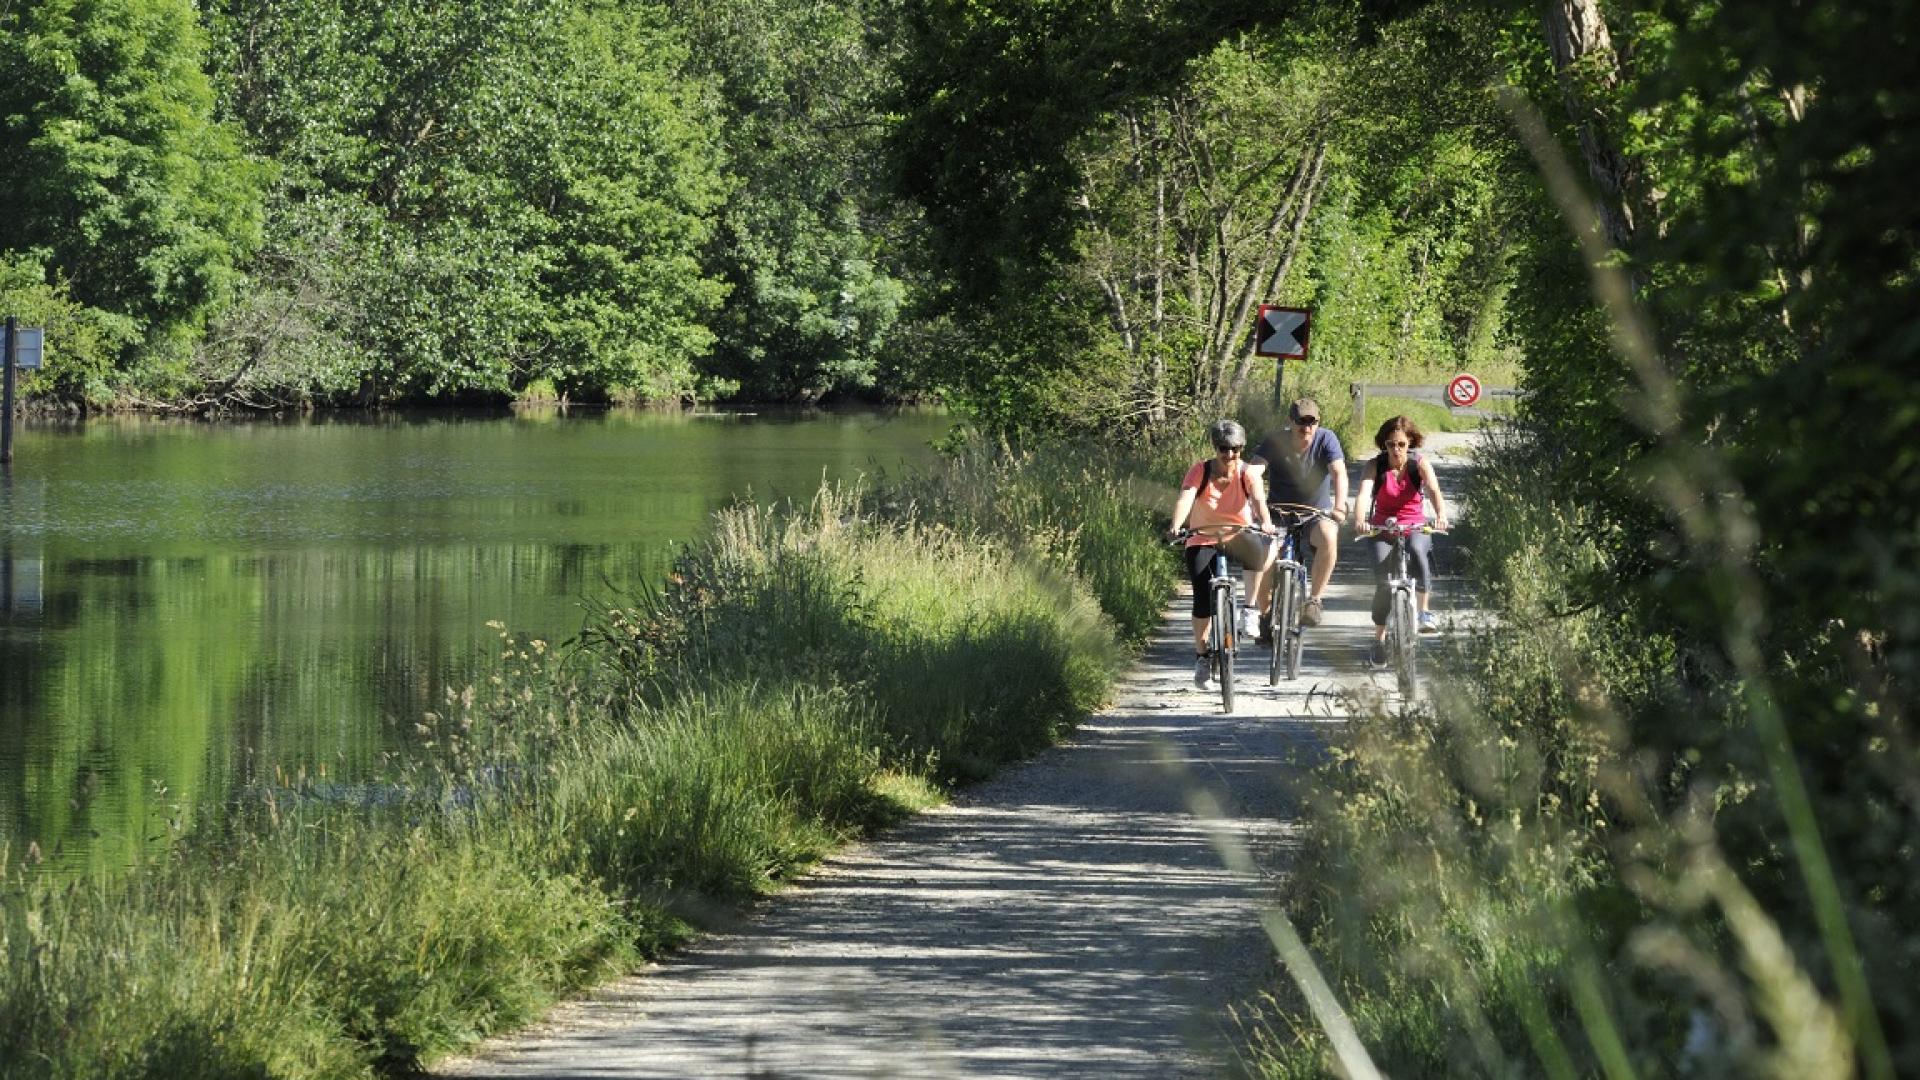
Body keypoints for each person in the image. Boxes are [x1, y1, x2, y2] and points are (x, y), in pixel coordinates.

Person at [1168, 420, 1278, 689]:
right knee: (1202, 599)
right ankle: (1202, 656)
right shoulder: (1200, 470)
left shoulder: (1247, 473)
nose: (1230, 455)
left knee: (1257, 547)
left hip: (1237, 533)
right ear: (1215, 447)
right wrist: (1176, 525)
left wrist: (1265, 521)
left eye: (1236, 449)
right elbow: (1186, 497)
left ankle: (1250, 610)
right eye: (1224, 449)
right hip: (1203, 535)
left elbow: (1259, 502)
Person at [1351, 414, 1450, 666]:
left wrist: (1440, 515)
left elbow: (1434, 490)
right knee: (1383, 581)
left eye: (1401, 444)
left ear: (1410, 444)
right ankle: (1380, 640)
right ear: (1384, 445)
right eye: (1390, 444)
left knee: (1418, 552)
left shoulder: (1420, 464)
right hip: (1382, 525)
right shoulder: (1376, 465)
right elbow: (1363, 493)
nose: (1396, 450)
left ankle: (1424, 612)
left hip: (1414, 523)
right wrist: (1360, 519)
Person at [1247, 398, 1348, 632]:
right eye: (1301, 422)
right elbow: (1255, 470)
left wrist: (1340, 506)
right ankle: (1264, 616)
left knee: (1329, 536)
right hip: (1278, 513)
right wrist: (1252, 492)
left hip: (1315, 513)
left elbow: (1339, 473)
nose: (1307, 428)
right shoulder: (1275, 441)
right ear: (1290, 422)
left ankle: (1314, 600)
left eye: (1312, 422)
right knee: (1263, 558)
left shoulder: (1326, 439)